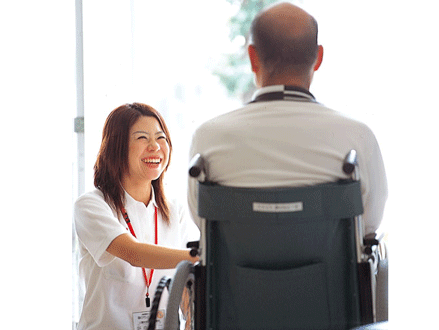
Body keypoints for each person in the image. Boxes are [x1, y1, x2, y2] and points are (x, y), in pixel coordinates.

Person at [188, 2, 387, 237]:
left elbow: (203, 223)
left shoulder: (209, 137)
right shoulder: (357, 137)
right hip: (330, 273)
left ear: (252, 57)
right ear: (318, 58)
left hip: (237, 273)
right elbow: (369, 224)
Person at [74, 103, 199, 330]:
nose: (154, 146)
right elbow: (133, 253)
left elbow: (182, 279)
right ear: (117, 148)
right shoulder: (91, 205)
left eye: (160, 138)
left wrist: (191, 313)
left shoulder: (174, 209)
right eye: (142, 138)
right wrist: (200, 257)